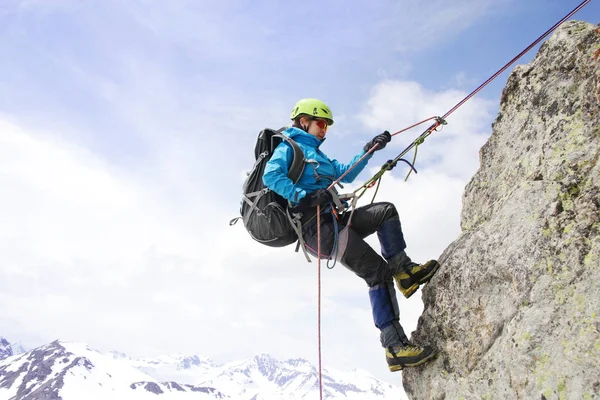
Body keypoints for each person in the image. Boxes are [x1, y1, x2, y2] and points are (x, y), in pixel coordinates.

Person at [262, 98, 440, 372]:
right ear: (303, 122)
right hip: (317, 231)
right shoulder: (289, 147)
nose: (324, 130)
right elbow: (271, 176)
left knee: (385, 211)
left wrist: (370, 149)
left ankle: (404, 273)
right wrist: (306, 197)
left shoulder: (320, 157)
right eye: (320, 123)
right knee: (377, 273)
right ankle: (394, 347)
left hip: (336, 221)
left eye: (326, 126)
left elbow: (347, 173)